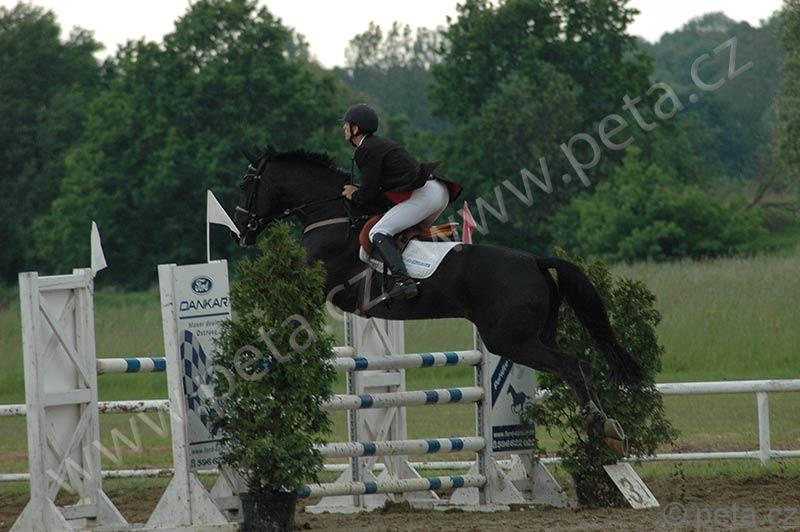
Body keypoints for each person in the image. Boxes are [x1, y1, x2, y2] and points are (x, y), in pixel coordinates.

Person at [341, 103, 462, 301]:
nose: (344, 128)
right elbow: (380, 193)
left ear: (355, 128)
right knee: (404, 234)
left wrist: (354, 194)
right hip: (439, 192)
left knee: (378, 232)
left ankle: (403, 282)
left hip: (425, 194)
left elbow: (367, 195)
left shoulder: (366, 149)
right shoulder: (378, 144)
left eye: (347, 125)